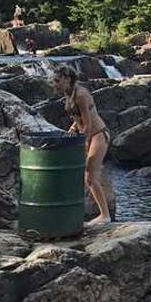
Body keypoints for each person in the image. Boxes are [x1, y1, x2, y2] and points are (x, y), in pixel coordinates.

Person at [53, 66, 113, 225]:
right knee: (84, 177)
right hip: (88, 135)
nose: (54, 84)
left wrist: (78, 146)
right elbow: (77, 118)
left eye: (57, 81)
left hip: (99, 135)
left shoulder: (81, 95)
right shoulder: (69, 94)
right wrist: (71, 131)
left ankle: (105, 216)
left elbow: (87, 125)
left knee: (90, 176)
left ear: (67, 79)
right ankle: (74, 212)